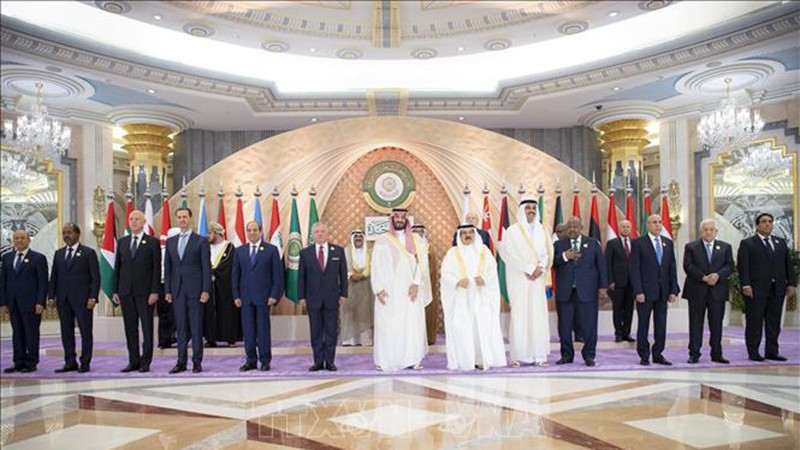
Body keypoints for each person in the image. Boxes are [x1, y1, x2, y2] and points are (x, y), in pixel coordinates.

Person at [371, 208, 431, 371]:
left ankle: (412, 359)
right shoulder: (382, 239)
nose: (399, 219)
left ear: (407, 220)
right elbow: (375, 266)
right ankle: (386, 360)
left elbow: (422, 263)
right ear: (391, 219)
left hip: (410, 290)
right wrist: (378, 289)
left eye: (403, 217)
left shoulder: (417, 239)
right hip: (388, 291)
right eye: (396, 217)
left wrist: (416, 283)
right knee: (388, 325)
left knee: (411, 324)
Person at [440, 224, 506, 371]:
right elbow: (446, 274)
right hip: (461, 299)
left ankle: (482, 359)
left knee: (482, 327)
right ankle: (465, 361)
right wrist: (457, 281)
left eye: (470, 232)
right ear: (459, 235)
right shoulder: (452, 253)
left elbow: (492, 270)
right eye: (464, 233)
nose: (467, 235)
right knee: (463, 328)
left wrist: (485, 279)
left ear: (475, 234)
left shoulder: (484, 251)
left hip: (481, 297)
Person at [500, 198, 554, 367]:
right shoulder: (512, 231)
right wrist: (529, 269)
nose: (531, 210)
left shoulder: (542, 230)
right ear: (522, 210)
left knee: (537, 315)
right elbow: (508, 254)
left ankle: (538, 356)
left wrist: (540, 268)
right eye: (528, 208)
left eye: (533, 208)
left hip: (537, 279)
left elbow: (546, 253)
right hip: (520, 278)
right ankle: (517, 355)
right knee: (520, 315)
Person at [737, 213, 797, 362]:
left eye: (770, 221)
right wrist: (746, 284)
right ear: (757, 225)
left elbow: (788, 265)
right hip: (756, 290)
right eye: (764, 222)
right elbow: (743, 267)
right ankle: (753, 352)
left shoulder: (780, 242)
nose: (767, 224)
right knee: (754, 323)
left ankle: (772, 352)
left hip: (777, 289)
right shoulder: (748, 243)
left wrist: (791, 283)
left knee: (774, 323)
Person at [552, 217, 608, 366]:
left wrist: (603, 287)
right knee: (564, 326)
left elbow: (601, 266)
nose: (572, 229)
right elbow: (552, 263)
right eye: (569, 227)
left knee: (589, 325)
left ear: (581, 227)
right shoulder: (558, 244)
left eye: (575, 227)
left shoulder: (592, 244)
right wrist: (565, 256)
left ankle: (589, 356)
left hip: (587, 292)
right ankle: (566, 355)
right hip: (565, 292)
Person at [164, 207, 211, 374]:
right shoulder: (171, 241)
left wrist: (206, 290)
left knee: (196, 326)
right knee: (181, 328)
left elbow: (206, 268)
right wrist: (167, 290)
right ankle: (181, 362)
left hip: (196, 291)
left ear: (190, 219)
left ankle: (197, 362)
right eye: (179, 217)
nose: (182, 219)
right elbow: (167, 268)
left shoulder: (201, 241)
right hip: (177, 291)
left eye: (185, 217)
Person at [113, 210, 161, 373]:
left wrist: (155, 291)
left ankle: (145, 361)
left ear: (144, 222)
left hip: (146, 293)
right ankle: (133, 360)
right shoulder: (122, 242)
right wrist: (115, 291)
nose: (133, 222)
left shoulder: (153, 242)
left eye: (137, 219)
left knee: (147, 328)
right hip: (125, 292)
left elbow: (156, 269)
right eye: (131, 219)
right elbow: (117, 268)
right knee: (130, 328)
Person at [49, 223, 100, 373]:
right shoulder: (59, 254)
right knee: (66, 332)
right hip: (63, 300)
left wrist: (93, 297)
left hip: (83, 300)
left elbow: (95, 278)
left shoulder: (88, 253)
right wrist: (51, 296)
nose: (66, 235)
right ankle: (70, 361)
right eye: (64, 233)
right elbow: (54, 277)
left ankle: (85, 362)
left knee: (85, 332)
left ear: (78, 234)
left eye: (69, 232)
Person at [232, 221, 283, 371]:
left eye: (255, 230)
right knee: (248, 330)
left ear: (261, 232)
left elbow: (278, 276)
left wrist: (274, 295)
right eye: (249, 230)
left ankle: (265, 361)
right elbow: (235, 276)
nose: (252, 233)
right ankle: (251, 360)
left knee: (263, 330)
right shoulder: (240, 251)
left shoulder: (271, 250)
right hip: (245, 298)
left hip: (264, 298)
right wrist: (236, 296)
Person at [682, 219, 734, 364]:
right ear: (701, 231)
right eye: (706, 229)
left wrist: (718, 275)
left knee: (716, 324)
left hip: (718, 291)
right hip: (697, 290)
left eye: (711, 229)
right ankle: (694, 354)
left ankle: (717, 354)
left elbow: (730, 266)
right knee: (696, 324)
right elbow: (688, 266)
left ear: (716, 232)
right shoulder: (691, 247)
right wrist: (703, 277)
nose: (709, 232)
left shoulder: (725, 247)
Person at [630, 214, 680, 366]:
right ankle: (644, 355)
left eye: (659, 222)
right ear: (648, 225)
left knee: (661, 324)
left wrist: (673, 290)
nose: (658, 225)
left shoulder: (667, 243)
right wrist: (638, 291)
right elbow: (634, 268)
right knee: (643, 324)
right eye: (654, 222)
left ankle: (658, 353)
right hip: (644, 293)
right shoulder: (639, 243)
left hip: (663, 292)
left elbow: (672, 267)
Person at [299, 222, 348, 371]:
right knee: (316, 332)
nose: (319, 234)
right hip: (312, 299)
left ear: (327, 234)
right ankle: (318, 361)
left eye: (322, 231)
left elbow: (343, 276)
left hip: (332, 298)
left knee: (331, 331)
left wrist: (344, 294)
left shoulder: (338, 251)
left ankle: (330, 361)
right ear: (313, 235)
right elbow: (301, 277)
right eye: (317, 232)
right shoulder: (305, 253)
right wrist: (302, 297)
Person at [1, 230, 47, 373]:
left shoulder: (38, 258)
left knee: (31, 333)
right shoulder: (7, 258)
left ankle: (31, 362)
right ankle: (18, 361)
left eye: (22, 238)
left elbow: (43, 282)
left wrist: (40, 302)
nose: (19, 240)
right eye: (16, 238)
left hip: (32, 303)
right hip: (13, 303)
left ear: (29, 240)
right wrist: (3, 302)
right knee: (17, 333)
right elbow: (3, 282)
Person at [205, 222, 241, 348]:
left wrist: (216, 272)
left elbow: (231, 266)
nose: (208, 236)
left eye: (210, 233)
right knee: (209, 311)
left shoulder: (230, 247)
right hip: (209, 285)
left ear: (217, 233)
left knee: (227, 310)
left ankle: (230, 337)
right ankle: (211, 338)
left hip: (226, 286)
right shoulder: (205, 247)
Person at [341, 229, 373, 346]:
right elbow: (341, 269)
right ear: (352, 238)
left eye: (360, 236)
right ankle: (350, 340)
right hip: (350, 287)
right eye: (356, 236)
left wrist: (364, 275)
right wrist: (351, 275)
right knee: (350, 314)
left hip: (367, 288)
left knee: (366, 314)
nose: (358, 238)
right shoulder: (345, 252)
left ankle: (365, 340)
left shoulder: (370, 252)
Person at [606, 220, 636, 343]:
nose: (626, 229)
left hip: (632, 282)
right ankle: (618, 333)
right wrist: (610, 280)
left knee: (629, 309)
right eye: (623, 226)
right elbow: (607, 263)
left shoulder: (635, 243)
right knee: (618, 309)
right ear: (619, 228)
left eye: (628, 227)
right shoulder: (612, 243)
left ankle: (626, 333)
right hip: (617, 282)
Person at [412, 223, 436, 345]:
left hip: (427, 284)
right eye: (414, 231)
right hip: (412, 286)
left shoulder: (429, 247)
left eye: (420, 231)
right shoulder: (409, 248)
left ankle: (428, 338)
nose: (417, 234)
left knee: (428, 310)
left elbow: (431, 267)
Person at [157, 227, 179, 349]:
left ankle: (177, 337)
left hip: (178, 284)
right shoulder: (162, 250)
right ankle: (165, 340)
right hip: (163, 285)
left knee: (177, 313)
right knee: (165, 314)